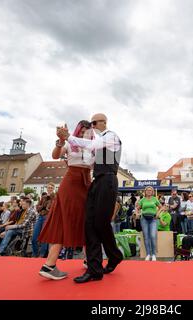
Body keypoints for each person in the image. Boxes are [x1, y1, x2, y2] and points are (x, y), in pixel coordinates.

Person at [59, 113, 124, 283]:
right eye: (91, 123)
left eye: (94, 123)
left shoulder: (111, 136)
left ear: (104, 122)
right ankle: (95, 269)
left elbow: (91, 144)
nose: (92, 126)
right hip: (97, 182)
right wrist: (68, 155)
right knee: (89, 224)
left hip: (108, 180)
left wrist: (70, 138)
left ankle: (114, 255)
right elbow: (87, 155)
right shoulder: (96, 144)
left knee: (100, 223)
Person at [38, 120, 94, 280]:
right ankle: (49, 265)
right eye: (82, 131)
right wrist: (61, 140)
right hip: (71, 183)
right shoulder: (70, 144)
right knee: (63, 220)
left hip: (86, 184)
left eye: (87, 131)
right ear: (78, 131)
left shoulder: (93, 147)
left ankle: (89, 260)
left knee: (87, 221)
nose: (84, 133)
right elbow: (55, 155)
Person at [136, 186, 162, 261]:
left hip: (153, 219)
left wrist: (158, 214)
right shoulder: (142, 200)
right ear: (145, 191)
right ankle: (148, 254)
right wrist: (137, 213)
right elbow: (137, 208)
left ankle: (153, 254)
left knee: (153, 236)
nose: (149, 191)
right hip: (144, 219)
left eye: (150, 190)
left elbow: (161, 207)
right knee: (146, 237)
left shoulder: (155, 199)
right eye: (147, 190)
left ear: (152, 191)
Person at [32, 183, 56, 258]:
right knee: (34, 238)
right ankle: (35, 253)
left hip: (47, 217)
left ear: (53, 188)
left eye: (51, 187)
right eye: (48, 187)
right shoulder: (44, 197)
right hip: (40, 216)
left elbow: (51, 209)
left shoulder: (55, 197)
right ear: (47, 188)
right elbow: (37, 207)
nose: (50, 189)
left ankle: (42, 255)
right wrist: (43, 206)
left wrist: (44, 207)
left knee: (44, 236)